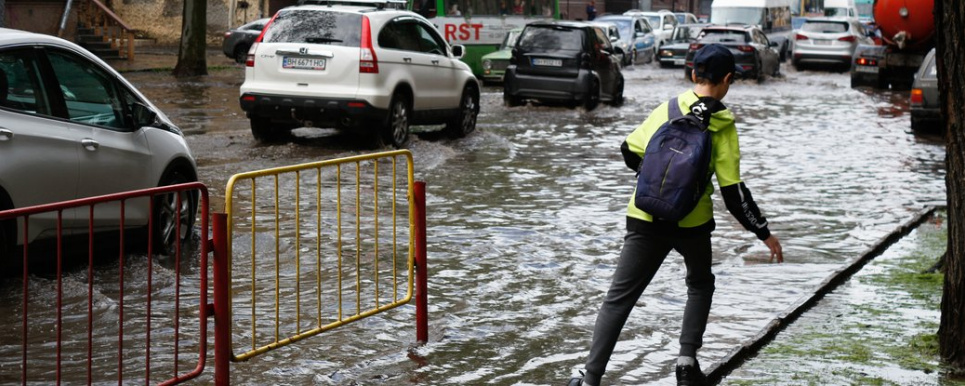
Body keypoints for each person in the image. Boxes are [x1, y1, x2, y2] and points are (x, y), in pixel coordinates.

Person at [569, 44, 784, 386]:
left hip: (644, 217)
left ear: (694, 74)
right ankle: (686, 364)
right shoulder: (723, 126)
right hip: (692, 225)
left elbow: (629, 149)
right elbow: (734, 194)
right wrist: (763, 232)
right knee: (700, 284)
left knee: (618, 299)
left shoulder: (667, 109)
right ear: (728, 80)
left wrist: (657, 181)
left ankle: (590, 379)